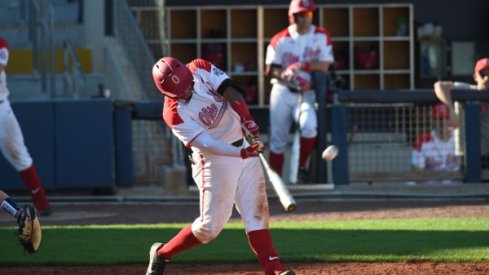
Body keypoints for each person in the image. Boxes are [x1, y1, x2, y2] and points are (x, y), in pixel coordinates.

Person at [147, 57, 295, 275]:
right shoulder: (173, 113)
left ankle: (274, 269)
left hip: (243, 144)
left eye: (187, 85)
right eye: (179, 91)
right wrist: (241, 153)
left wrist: (247, 119)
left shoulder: (199, 68)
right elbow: (207, 144)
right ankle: (162, 254)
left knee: (256, 211)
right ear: (166, 93)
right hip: (214, 160)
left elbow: (230, 90)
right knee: (209, 229)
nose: (186, 91)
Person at [265, 0, 334, 182]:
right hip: (282, 91)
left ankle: (302, 168)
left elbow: (325, 64)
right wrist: (287, 75)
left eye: (308, 14)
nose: (304, 19)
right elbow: (271, 69)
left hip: (306, 93)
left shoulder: (321, 35)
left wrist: (303, 66)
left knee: (309, 126)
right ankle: (276, 182)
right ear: (292, 16)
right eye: (300, 15)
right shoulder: (279, 39)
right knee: (278, 140)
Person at [0, 37, 51, 216]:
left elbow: (1, 66)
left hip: (1, 111)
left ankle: (42, 203)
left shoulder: (1, 43)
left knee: (19, 155)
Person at [433, 57, 489, 170]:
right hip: (469, 154)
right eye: (483, 74)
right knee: (470, 185)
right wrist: (451, 112)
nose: (487, 78)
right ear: (475, 77)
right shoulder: (467, 90)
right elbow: (439, 86)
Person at [410, 103, 462, 185]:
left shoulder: (460, 138)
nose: (443, 122)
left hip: (457, 189)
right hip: (431, 189)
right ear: (433, 121)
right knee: (410, 184)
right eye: (439, 118)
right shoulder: (422, 140)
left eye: (446, 118)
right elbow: (417, 173)